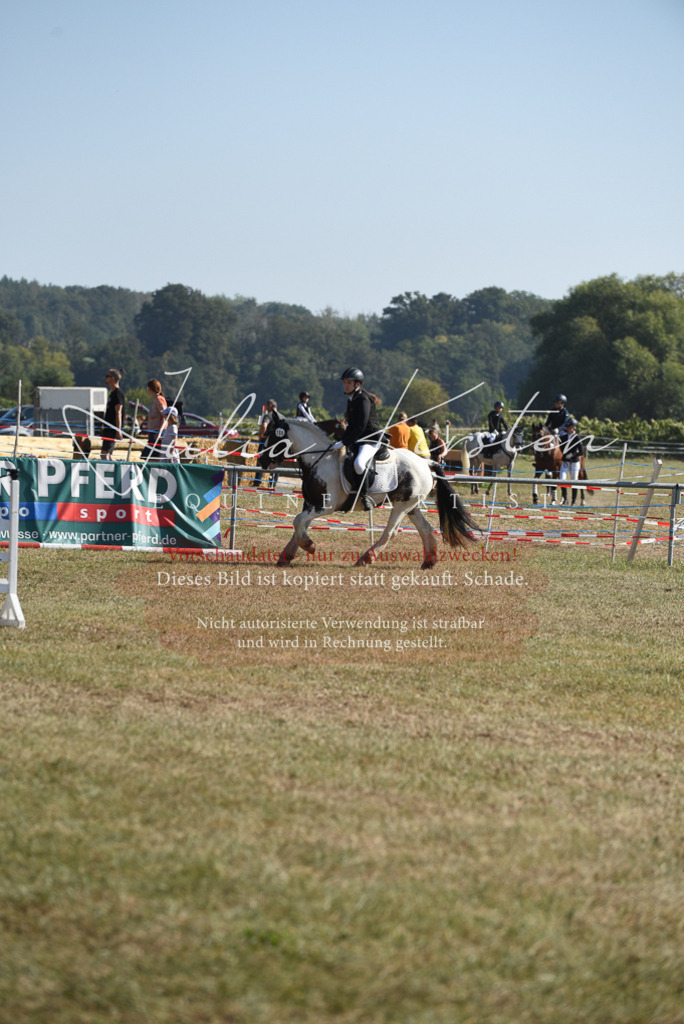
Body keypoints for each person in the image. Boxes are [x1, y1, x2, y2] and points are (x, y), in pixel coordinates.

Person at [337, 366, 381, 510]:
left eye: (349, 383)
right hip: (359, 439)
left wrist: (345, 442)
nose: (345, 385)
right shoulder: (352, 399)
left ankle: (365, 496)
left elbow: (361, 426)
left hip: (370, 438)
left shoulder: (363, 399)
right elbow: (351, 426)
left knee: (359, 464)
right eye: (344, 382)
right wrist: (341, 441)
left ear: (357, 384)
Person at [253, 399, 279, 489]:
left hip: (267, 442)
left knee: (261, 460)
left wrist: (261, 436)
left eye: (266, 406)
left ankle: (257, 481)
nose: (266, 408)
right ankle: (273, 483)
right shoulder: (282, 416)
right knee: (275, 461)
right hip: (278, 442)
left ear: (270, 405)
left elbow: (264, 426)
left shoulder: (269, 415)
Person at [101, 369, 125, 460]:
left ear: (112, 378)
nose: (105, 378)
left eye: (107, 376)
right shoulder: (112, 393)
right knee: (109, 455)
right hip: (108, 427)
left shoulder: (118, 393)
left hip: (112, 428)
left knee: (104, 454)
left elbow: (118, 412)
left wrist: (118, 430)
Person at [141, 379, 168, 461]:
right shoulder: (154, 400)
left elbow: (165, 415)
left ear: (149, 388)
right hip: (154, 433)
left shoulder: (159, 399)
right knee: (148, 457)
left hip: (158, 433)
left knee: (149, 457)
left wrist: (159, 432)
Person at [558, 417, 583, 505]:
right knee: (562, 479)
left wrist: (572, 454)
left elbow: (581, 451)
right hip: (565, 462)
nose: (568, 428)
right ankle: (565, 499)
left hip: (574, 462)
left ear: (574, 427)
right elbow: (561, 447)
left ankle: (574, 501)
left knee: (574, 480)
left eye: (570, 427)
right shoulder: (564, 437)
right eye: (568, 427)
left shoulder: (577, 438)